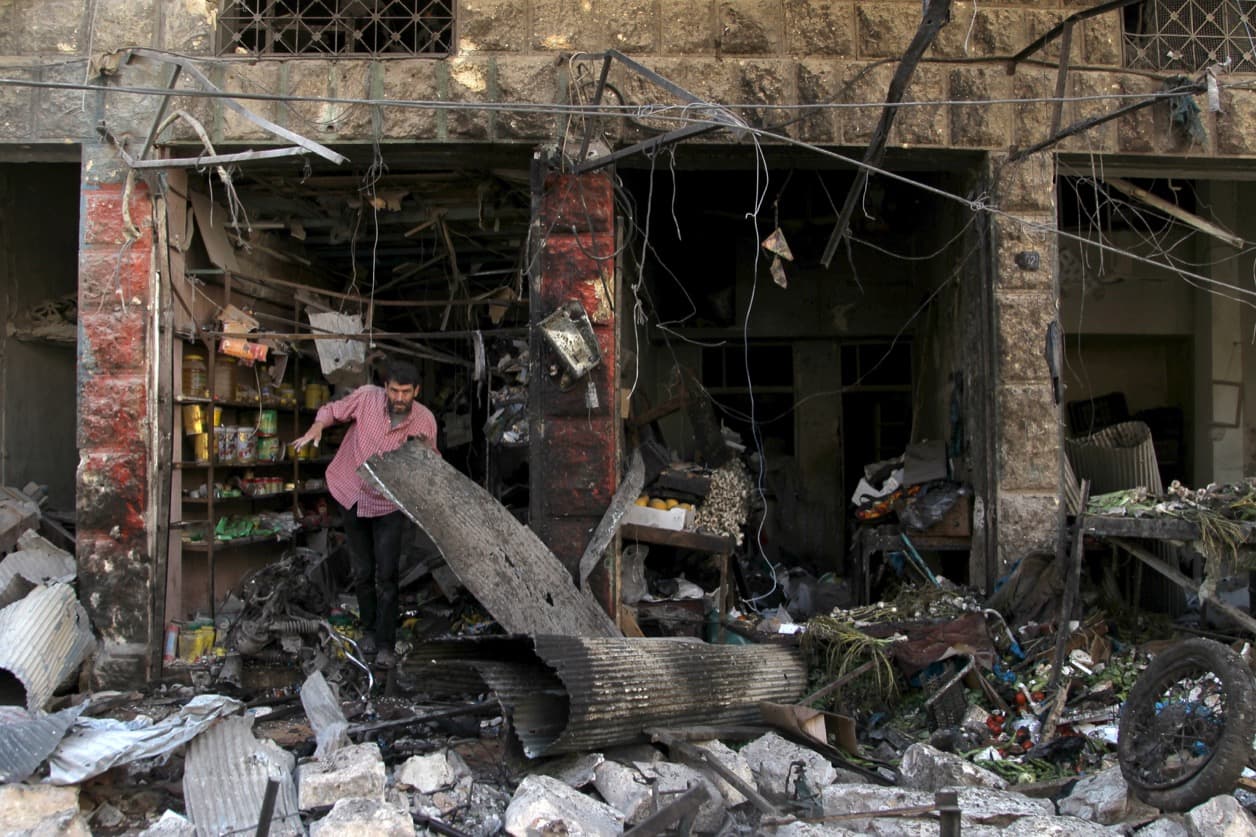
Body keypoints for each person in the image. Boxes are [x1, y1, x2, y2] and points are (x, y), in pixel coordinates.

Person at [293, 359, 438, 668]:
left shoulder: (425, 421)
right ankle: (368, 632)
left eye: (406, 392)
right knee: (361, 572)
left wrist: (424, 454)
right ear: (386, 388)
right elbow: (333, 411)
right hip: (353, 492)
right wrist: (318, 425)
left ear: (416, 391)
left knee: (386, 574)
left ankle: (385, 642)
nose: (399, 398)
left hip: (389, 503)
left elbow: (431, 464)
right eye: (395, 390)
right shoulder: (366, 397)